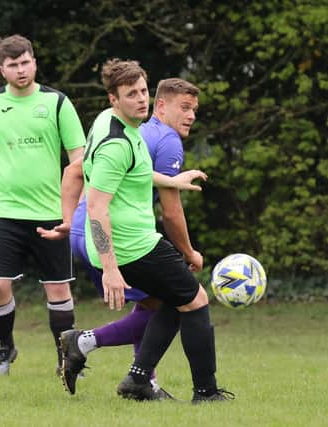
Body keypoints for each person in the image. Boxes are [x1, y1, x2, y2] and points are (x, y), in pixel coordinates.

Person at [39, 78, 206, 397]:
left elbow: (73, 172)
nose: (190, 116)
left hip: (84, 230)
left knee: (155, 303)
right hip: (109, 235)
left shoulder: (119, 125)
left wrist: (68, 221)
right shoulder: (167, 140)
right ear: (161, 105)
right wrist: (189, 251)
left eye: (194, 110)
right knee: (174, 302)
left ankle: (142, 382)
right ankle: (86, 345)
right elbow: (170, 212)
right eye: (184, 108)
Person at [81, 59, 232, 402]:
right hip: (133, 246)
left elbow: (132, 173)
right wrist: (110, 268)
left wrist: (172, 180)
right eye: (130, 94)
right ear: (113, 99)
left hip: (131, 242)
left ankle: (137, 380)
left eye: (143, 91)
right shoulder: (117, 143)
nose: (140, 99)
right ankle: (206, 393)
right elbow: (96, 206)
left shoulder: (115, 124)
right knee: (196, 301)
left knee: (173, 300)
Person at [0, 35, 86, 376]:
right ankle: (6, 347)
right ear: (2, 69)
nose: (20, 69)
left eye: (25, 62)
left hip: (51, 212)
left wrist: (75, 208)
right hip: (4, 211)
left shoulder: (58, 103)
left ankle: (65, 356)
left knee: (58, 288)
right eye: (13, 65)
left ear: (34, 62)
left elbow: (79, 157)